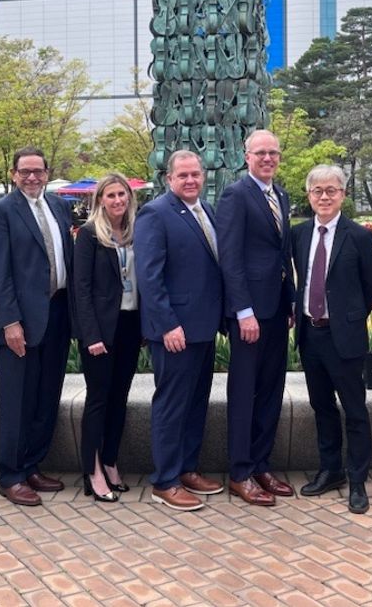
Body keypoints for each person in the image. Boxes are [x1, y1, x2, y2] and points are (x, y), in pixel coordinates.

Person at [0, 147, 74, 507]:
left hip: (57, 317)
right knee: (17, 402)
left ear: (47, 173)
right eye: (25, 172)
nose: (32, 177)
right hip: (19, 322)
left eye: (38, 171)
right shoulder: (0, 212)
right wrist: (10, 321)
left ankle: (33, 463)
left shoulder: (59, 207)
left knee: (46, 398)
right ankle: (11, 475)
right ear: (14, 173)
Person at [134, 150, 224, 511]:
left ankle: (187, 468)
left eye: (195, 174)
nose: (190, 180)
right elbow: (150, 277)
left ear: (203, 176)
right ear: (168, 179)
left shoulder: (206, 211)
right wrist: (168, 324)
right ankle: (165, 480)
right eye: (182, 175)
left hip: (202, 329)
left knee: (195, 404)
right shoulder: (155, 213)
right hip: (175, 331)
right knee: (171, 406)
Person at [292, 165, 372, 513]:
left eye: (332, 190)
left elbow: (371, 285)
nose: (324, 196)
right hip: (310, 336)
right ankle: (331, 471)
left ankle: (357, 480)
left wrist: (349, 316)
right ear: (309, 195)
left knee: (355, 410)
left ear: (343, 194)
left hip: (344, 336)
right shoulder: (299, 234)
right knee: (322, 407)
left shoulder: (358, 236)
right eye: (317, 191)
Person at [215, 129, 296, 506]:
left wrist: (291, 300)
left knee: (270, 391)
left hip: (277, 310)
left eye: (273, 153)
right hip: (250, 314)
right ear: (246, 156)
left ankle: (262, 463)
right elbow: (230, 258)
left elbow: (282, 256)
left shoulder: (280, 194)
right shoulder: (235, 195)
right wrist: (243, 311)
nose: (268, 158)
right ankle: (240, 471)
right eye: (260, 152)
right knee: (244, 393)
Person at [72, 173, 142, 503]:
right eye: (111, 195)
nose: (117, 200)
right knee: (98, 399)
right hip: (100, 331)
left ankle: (111, 460)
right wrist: (90, 335)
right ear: (100, 199)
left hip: (130, 325)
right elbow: (81, 290)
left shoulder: (134, 232)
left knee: (119, 398)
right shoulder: (88, 236)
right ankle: (93, 470)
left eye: (122, 195)